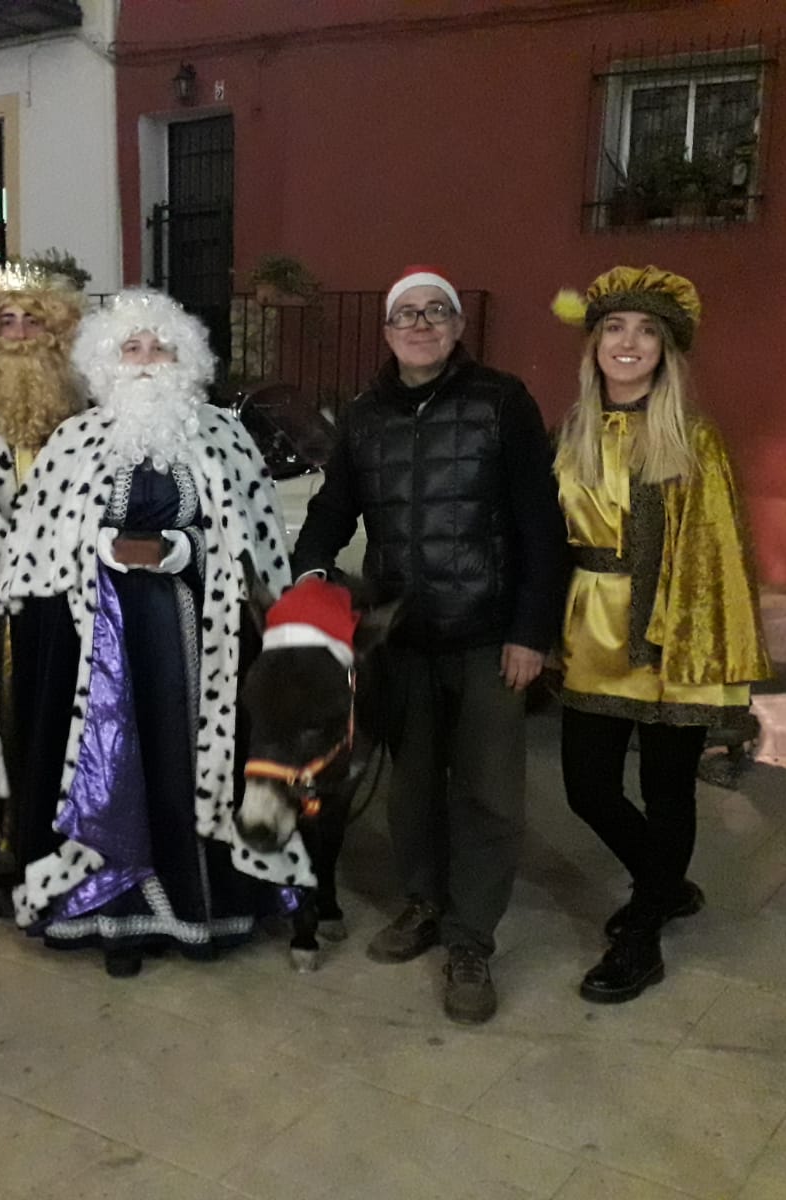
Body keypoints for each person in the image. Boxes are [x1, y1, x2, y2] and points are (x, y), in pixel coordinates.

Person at [0, 288, 302, 978]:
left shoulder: (223, 437)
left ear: (187, 359)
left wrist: (184, 551)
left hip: (202, 648)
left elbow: (253, 548)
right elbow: (38, 552)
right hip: (97, 649)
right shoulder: (74, 441)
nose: (147, 360)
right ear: (107, 361)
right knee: (113, 768)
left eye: (161, 347)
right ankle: (113, 914)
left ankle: (201, 904)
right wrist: (97, 549)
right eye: (132, 348)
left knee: (188, 766)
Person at [291, 265, 566, 1024]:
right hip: (403, 637)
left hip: (489, 637)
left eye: (435, 312)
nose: (420, 324)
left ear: (457, 327)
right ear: (387, 331)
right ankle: (423, 903)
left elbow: (541, 525)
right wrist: (311, 574)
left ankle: (471, 940)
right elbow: (332, 509)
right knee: (411, 790)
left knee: (488, 794)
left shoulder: (500, 401)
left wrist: (531, 632)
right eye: (406, 314)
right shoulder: (363, 416)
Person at [549, 265, 771, 1003]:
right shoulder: (571, 433)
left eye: (647, 331)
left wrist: (700, 643)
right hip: (592, 632)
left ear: (666, 350)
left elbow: (718, 554)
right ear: (594, 343)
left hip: (670, 635)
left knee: (667, 790)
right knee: (587, 788)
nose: (629, 342)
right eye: (615, 327)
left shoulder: (692, 440)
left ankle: (642, 937)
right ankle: (665, 884)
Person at [0, 263, 84, 863]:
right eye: (7, 321)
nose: (21, 334)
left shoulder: (84, 409)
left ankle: (69, 831)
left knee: (68, 713)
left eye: (33, 321)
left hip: (71, 592)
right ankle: (10, 836)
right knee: (3, 713)